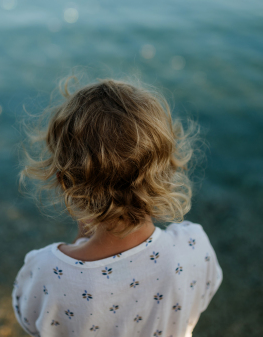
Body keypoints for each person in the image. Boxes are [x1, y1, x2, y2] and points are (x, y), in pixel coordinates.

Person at [12, 78, 222, 337]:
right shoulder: (194, 248)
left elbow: (30, 319)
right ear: (166, 170)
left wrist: (79, 243)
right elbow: (199, 298)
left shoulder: (47, 271)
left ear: (65, 182)